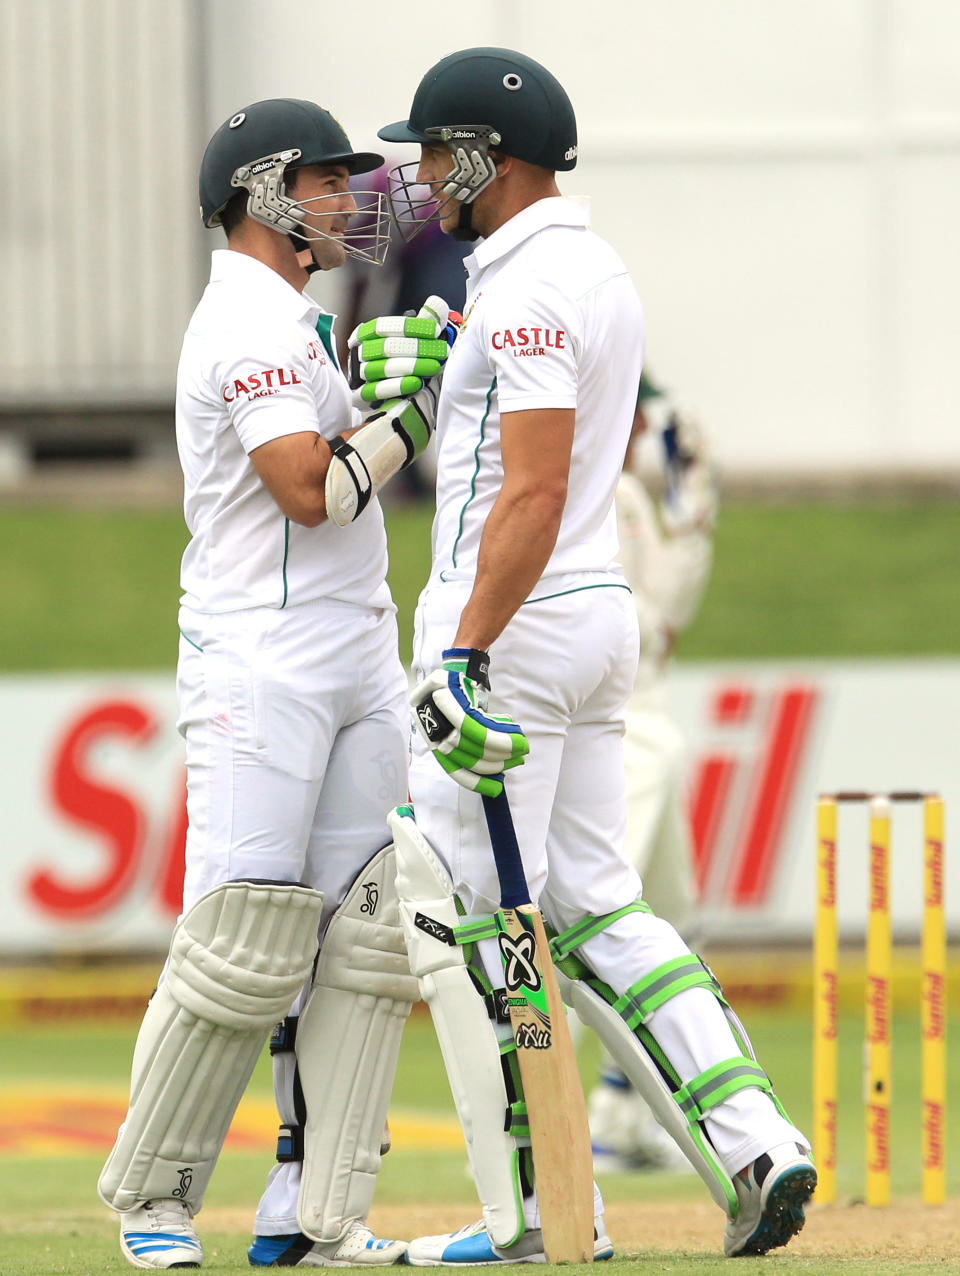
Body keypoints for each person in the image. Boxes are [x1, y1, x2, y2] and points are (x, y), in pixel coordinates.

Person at [343, 47, 817, 1264]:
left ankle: (538, 1214)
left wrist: (461, 651)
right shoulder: (580, 264)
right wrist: (446, 366)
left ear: (484, 161)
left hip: (516, 617)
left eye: (434, 152)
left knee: (470, 917)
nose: (421, 177)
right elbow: (527, 434)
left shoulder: (532, 285)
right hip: (588, 615)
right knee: (598, 900)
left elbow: (536, 486)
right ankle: (755, 1141)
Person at [96, 97, 448, 1270]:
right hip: (262, 654)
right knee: (241, 937)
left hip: (355, 643)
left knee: (363, 934)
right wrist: (417, 408)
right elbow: (315, 489)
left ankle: (314, 1205)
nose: (355, 199)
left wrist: (383, 379)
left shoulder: (297, 321)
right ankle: (155, 1197)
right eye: (332, 179)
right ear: (268, 192)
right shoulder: (245, 321)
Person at [588, 373, 718, 1172]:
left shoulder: (632, 497)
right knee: (600, 925)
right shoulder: (583, 483)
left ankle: (628, 1115)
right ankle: (544, 1125)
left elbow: (670, 611)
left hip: (651, 719)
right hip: (610, 726)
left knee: (672, 927)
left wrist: (694, 507)